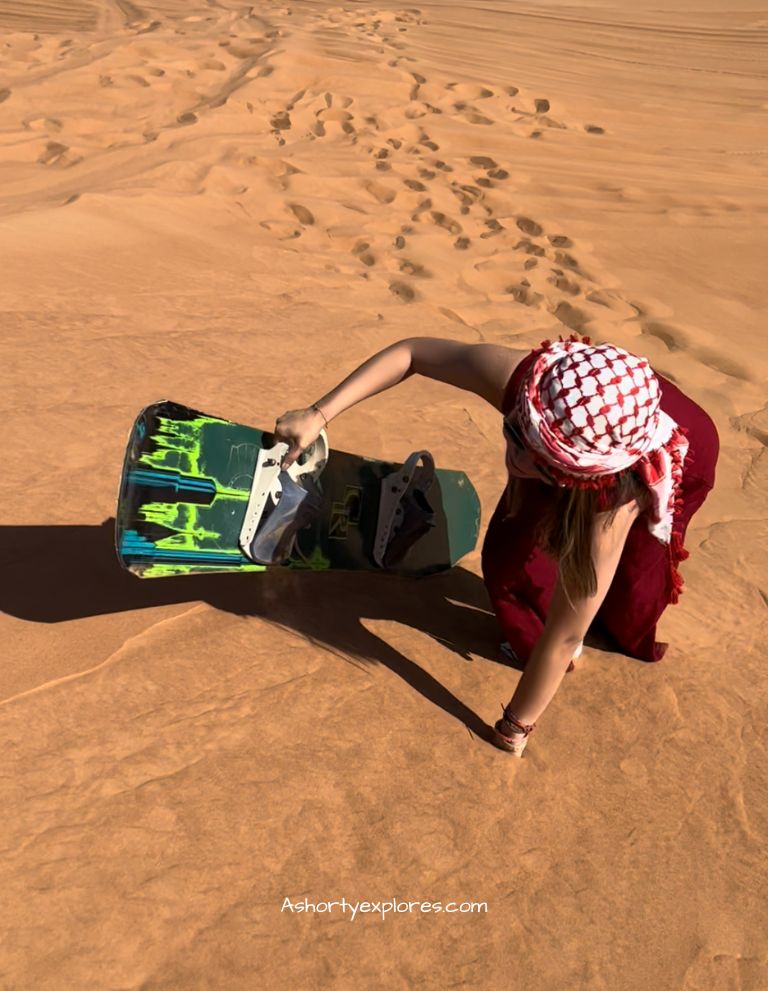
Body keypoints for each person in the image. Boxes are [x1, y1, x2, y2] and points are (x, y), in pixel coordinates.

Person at [272, 334, 719, 757]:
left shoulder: (612, 501)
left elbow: (565, 635)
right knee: (509, 558)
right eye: (515, 432)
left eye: (535, 456)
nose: (514, 455)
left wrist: (515, 726)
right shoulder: (525, 382)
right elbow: (412, 353)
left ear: (574, 475)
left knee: (630, 582)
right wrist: (319, 413)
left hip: (682, 449)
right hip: (601, 403)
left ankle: (616, 621)